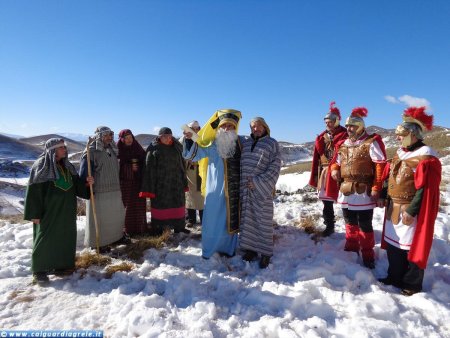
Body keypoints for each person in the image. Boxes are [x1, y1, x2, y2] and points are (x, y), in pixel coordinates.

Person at [377, 107, 441, 296]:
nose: (397, 138)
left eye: (401, 134)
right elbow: (389, 177)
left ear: (412, 134)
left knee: (411, 248)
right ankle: (394, 276)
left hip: (410, 209)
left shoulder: (426, 156)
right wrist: (382, 194)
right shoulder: (400, 153)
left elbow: (425, 189)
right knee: (394, 244)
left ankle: (411, 284)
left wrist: (412, 211)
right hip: (393, 206)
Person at [24, 138, 94, 284]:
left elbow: (76, 185)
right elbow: (34, 191)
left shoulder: (67, 166)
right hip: (49, 211)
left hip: (67, 210)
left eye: (64, 147)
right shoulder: (41, 166)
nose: (65, 150)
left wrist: (87, 184)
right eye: (61, 147)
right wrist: (34, 214)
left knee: (65, 236)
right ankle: (39, 271)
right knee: (46, 238)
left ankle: (61, 266)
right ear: (53, 150)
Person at [330, 107, 386, 269]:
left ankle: (368, 254)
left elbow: (380, 166)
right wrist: (334, 169)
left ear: (361, 126)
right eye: (347, 126)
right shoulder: (344, 144)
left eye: (352, 126)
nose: (349, 129)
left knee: (365, 224)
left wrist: (376, 187)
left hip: (363, 190)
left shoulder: (371, 142)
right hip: (346, 189)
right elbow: (336, 161)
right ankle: (352, 247)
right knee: (349, 221)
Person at [182, 109, 242, 259]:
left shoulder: (241, 144)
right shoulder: (213, 144)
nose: (227, 129)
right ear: (219, 127)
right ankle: (210, 251)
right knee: (212, 220)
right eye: (224, 126)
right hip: (214, 190)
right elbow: (192, 156)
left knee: (230, 220)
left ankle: (228, 250)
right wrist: (189, 140)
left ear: (235, 127)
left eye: (230, 126)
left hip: (234, 191)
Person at [239, 117, 281, 268]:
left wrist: (257, 182)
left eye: (258, 126)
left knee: (263, 221)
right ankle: (250, 250)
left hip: (261, 189)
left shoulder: (272, 143)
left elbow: (275, 167)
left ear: (264, 127)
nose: (255, 129)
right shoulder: (246, 143)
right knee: (248, 220)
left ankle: (265, 253)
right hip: (245, 189)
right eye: (252, 127)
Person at [79, 126, 126, 252]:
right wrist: (87, 180)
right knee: (100, 219)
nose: (109, 137)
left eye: (110, 135)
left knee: (115, 216)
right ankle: (98, 243)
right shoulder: (91, 151)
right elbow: (84, 172)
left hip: (115, 189)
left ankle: (116, 237)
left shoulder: (112, 148)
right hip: (100, 190)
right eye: (106, 135)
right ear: (99, 136)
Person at [309, 102, 348, 236]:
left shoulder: (345, 135)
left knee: (345, 201)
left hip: (341, 172)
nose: (327, 124)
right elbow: (318, 158)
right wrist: (315, 174)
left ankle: (351, 227)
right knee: (327, 202)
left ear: (336, 121)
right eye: (326, 122)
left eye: (330, 121)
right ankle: (329, 226)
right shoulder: (322, 137)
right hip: (325, 172)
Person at [140, 127, 189, 235]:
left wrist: (183, 181)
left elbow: (182, 165)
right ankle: (158, 228)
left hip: (176, 182)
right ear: (160, 137)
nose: (168, 139)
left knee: (178, 204)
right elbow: (149, 169)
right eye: (165, 137)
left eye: (170, 136)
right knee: (160, 206)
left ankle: (179, 227)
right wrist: (150, 187)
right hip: (161, 184)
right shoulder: (153, 149)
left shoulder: (177, 147)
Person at [117, 129, 147, 235]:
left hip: (138, 182)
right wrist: (129, 167)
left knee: (139, 206)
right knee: (128, 207)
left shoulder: (137, 148)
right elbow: (116, 167)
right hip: (125, 184)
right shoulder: (118, 151)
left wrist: (139, 166)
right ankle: (128, 231)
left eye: (130, 137)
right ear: (122, 139)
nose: (129, 140)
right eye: (126, 138)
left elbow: (145, 160)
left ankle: (140, 229)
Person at [179, 120, 205, 227]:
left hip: (201, 170)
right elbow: (179, 154)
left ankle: (204, 219)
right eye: (192, 129)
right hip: (189, 171)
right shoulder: (182, 141)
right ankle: (191, 219)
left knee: (202, 195)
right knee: (190, 196)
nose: (194, 131)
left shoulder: (202, 139)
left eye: (196, 129)